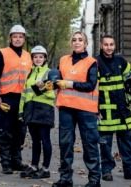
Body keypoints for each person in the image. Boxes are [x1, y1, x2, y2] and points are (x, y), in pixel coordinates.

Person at [95, 35, 131, 182]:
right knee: (105, 145)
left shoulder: (120, 61)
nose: (109, 47)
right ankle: (106, 170)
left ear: (115, 45)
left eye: (111, 44)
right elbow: (93, 88)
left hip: (123, 111)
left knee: (127, 144)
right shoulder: (96, 63)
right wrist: (95, 109)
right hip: (105, 112)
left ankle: (130, 170)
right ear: (101, 45)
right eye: (106, 44)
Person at [51, 31, 101, 187]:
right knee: (65, 144)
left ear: (86, 43)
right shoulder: (63, 60)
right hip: (66, 108)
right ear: (71, 42)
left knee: (90, 144)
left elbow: (90, 85)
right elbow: (58, 81)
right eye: (74, 40)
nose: (77, 42)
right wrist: (49, 84)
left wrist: (69, 84)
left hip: (85, 110)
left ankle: (94, 180)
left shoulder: (92, 62)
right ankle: (65, 178)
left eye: (80, 40)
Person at [0, 25, 32, 174]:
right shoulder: (2, 54)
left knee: (20, 132)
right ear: (10, 38)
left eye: (21, 36)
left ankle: (16, 161)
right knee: (5, 132)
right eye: (15, 36)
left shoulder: (28, 56)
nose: (18, 39)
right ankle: (6, 163)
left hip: (23, 100)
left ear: (24, 39)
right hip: (6, 98)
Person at [18, 45, 56, 179]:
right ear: (32, 59)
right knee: (35, 141)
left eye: (41, 57)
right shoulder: (30, 74)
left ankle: (45, 169)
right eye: (35, 57)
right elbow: (24, 94)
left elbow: (52, 94)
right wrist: (21, 112)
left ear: (45, 58)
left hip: (44, 110)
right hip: (30, 110)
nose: (38, 59)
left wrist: (41, 87)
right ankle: (34, 167)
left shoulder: (49, 73)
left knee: (45, 140)